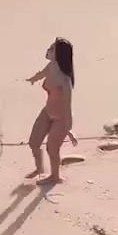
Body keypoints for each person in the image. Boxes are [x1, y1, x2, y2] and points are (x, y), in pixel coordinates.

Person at [25, 37, 77, 182]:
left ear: (59, 54)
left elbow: (67, 104)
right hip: (47, 111)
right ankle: (39, 169)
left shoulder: (65, 80)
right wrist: (32, 79)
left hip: (61, 118)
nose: (48, 50)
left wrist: (68, 128)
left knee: (52, 149)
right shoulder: (51, 66)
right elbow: (41, 74)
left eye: (52, 49)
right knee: (33, 142)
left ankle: (55, 176)